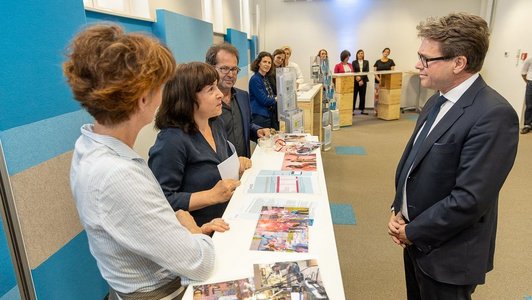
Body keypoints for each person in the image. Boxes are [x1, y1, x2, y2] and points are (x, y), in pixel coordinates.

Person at [65, 24, 227, 299]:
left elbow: (141, 230)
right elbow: (201, 263)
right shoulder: (116, 174)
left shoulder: (89, 146)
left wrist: (186, 230)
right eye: (160, 86)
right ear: (143, 99)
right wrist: (192, 233)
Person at [388, 13, 519, 299]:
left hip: (448, 255)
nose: (417, 65)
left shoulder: (494, 115)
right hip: (415, 240)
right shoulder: (437, 99)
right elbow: (414, 163)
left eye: (426, 59)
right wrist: (398, 210)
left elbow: (469, 199)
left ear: (459, 63)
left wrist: (413, 231)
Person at [149, 62, 251, 227]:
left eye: (217, 87)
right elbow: (161, 201)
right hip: (199, 233)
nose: (219, 94)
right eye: (211, 89)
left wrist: (236, 164)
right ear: (187, 98)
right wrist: (210, 196)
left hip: (228, 217)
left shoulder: (215, 123)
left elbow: (217, 166)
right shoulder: (171, 141)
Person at [205, 43, 270, 157]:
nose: (231, 74)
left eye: (234, 69)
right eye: (224, 68)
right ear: (211, 68)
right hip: (220, 172)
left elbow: (247, 126)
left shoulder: (243, 96)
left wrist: (257, 131)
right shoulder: (204, 104)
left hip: (245, 168)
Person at [249, 51, 279, 130]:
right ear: (259, 63)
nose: (267, 64)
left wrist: (275, 97)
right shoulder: (255, 79)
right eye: (264, 62)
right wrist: (276, 98)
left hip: (268, 114)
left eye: (269, 62)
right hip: (260, 116)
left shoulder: (265, 77)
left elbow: (270, 95)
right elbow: (264, 100)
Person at [373, 47, 396, 115]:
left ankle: (384, 111)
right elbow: (374, 72)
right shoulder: (377, 61)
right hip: (378, 82)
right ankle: (376, 110)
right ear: (383, 52)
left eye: (388, 52)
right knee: (377, 96)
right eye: (385, 51)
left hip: (387, 82)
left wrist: (384, 80)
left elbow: (392, 71)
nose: (386, 53)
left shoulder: (391, 61)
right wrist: (379, 79)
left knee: (385, 96)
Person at [352, 49, 369, 115]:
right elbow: (353, 71)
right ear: (357, 54)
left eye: (362, 53)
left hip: (364, 81)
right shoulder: (354, 62)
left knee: (362, 96)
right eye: (359, 53)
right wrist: (358, 80)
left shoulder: (366, 62)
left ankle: (362, 110)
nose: (360, 54)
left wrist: (361, 79)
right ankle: (352, 110)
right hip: (356, 81)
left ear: (363, 54)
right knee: (354, 96)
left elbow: (367, 71)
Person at [520, 57, 532, 134]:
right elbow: (523, 72)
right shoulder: (530, 59)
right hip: (531, 83)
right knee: (529, 105)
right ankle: (527, 125)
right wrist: (528, 82)